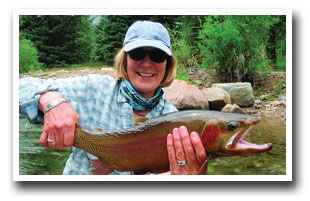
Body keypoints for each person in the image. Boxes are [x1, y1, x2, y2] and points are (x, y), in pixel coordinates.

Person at [19, 20, 208, 175]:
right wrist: (51, 101)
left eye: (157, 55)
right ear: (125, 59)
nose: (147, 63)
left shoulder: (177, 124)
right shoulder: (92, 90)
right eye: (138, 53)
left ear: (168, 64)